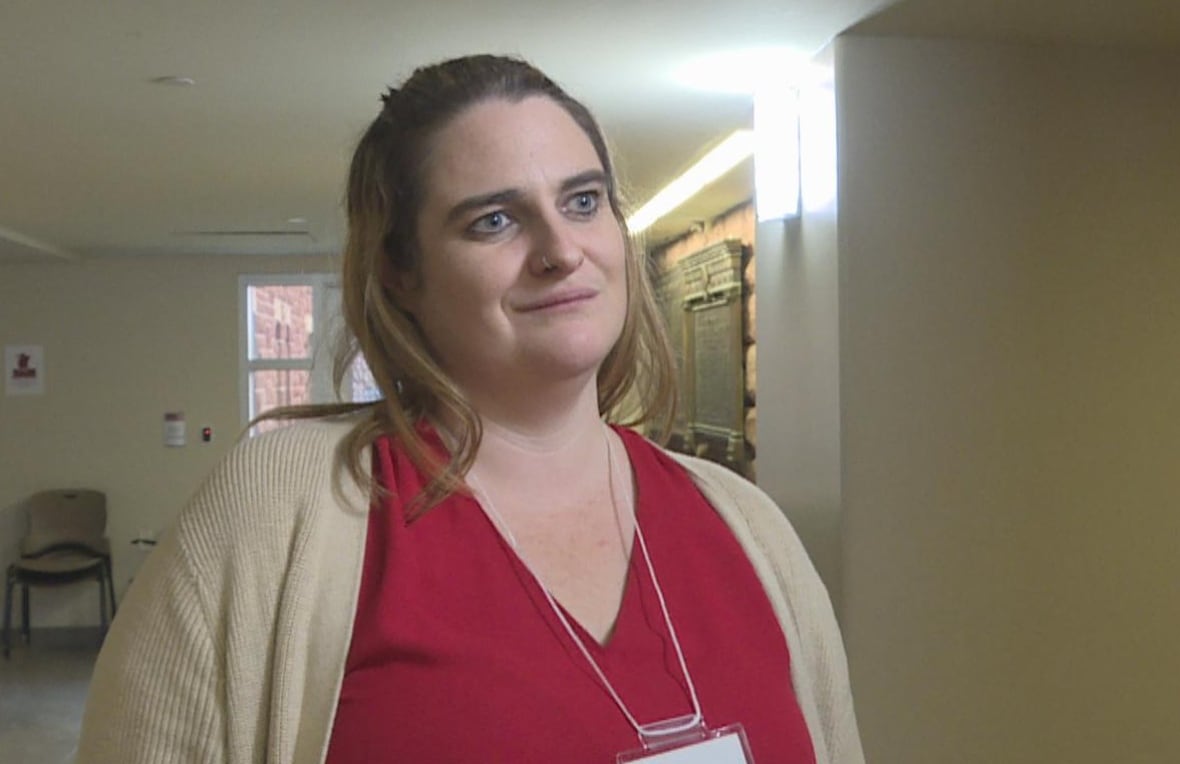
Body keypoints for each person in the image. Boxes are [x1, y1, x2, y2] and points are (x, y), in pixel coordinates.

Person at [76, 54, 863, 763]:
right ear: (400, 274)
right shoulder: (281, 512)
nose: (561, 249)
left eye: (583, 202)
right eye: (495, 220)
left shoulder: (744, 525)